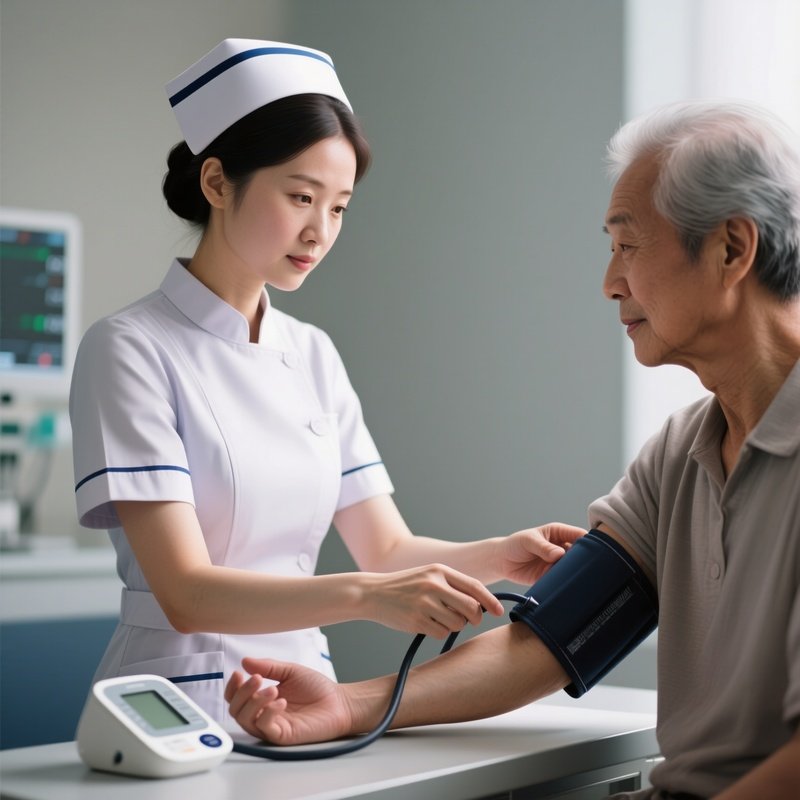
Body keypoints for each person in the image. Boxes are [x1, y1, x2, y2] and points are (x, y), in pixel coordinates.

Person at [224, 99, 800, 799]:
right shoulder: (680, 454)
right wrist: (354, 705)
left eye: (628, 244)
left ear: (732, 249)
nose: (609, 281)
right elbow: (549, 639)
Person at [69, 38, 582, 732]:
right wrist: (369, 597)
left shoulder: (311, 352)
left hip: (306, 698)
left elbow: (387, 550)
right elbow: (186, 592)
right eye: (301, 196)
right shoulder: (130, 348)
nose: (320, 230)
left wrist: (500, 556)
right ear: (217, 183)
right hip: (170, 704)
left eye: (339, 207)